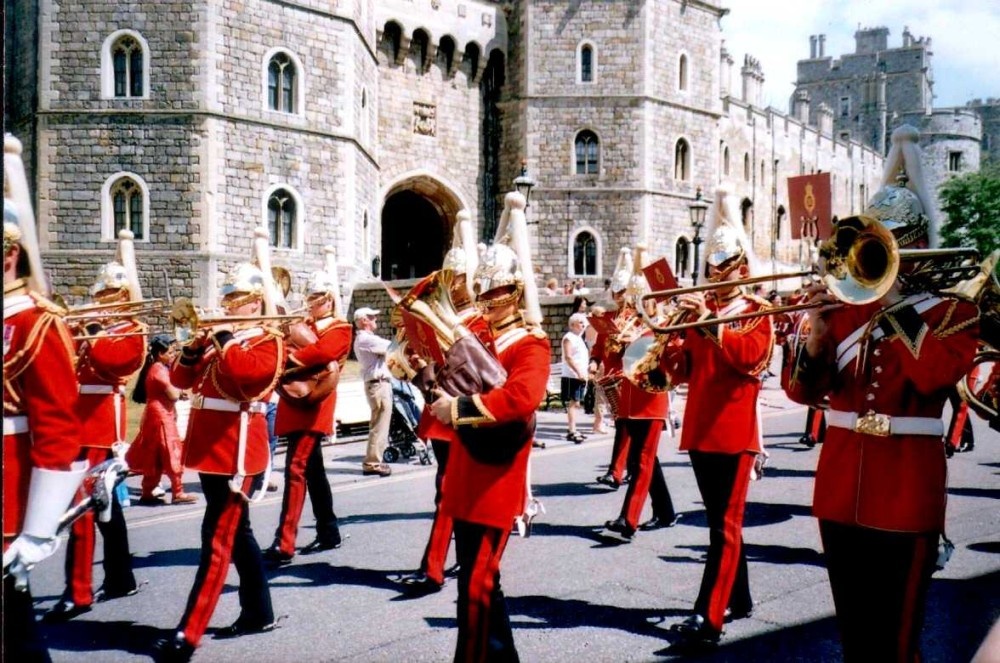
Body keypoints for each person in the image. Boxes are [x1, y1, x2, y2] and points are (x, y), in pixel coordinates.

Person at [783, 126, 979, 662]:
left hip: (906, 491)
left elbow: (934, 376)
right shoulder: (843, 308)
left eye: (891, 242)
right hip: (841, 487)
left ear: (917, 246)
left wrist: (893, 303)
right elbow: (801, 392)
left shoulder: (953, 311)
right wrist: (817, 335)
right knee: (856, 642)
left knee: (896, 646)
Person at [430, 191, 550, 663]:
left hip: (499, 472)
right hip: (467, 465)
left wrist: (458, 409)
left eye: (497, 292)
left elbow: (521, 399)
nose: (488, 301)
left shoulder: (531, 343)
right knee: (477, 580)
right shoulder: (477, 336)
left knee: (478, 582)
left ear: (515, 292)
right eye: (484, 293)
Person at [659, 187, 773, 651]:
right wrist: (666, 342)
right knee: (719, 522)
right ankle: (739, 597)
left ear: (742, 269)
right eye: (711, 268)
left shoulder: (758, 312)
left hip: (736, 431)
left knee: (724, 526)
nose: (714, 276)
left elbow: (750, 358)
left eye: (723, 267)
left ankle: (709, 617)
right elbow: (683, 371)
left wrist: (710, 320)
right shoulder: (704, 309)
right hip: (702, 427)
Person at [153, 261, 283, 662]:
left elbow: (246, 375)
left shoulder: (267, 340)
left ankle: (189, 632)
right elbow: (180, 381)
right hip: (212, 451)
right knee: (238, 536)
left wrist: (223, 335)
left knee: (218, 539)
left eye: (236, 299)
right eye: (226, 298)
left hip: (238, 452)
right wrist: (194, 348)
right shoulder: (219, 341)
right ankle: (260, 612)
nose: (227, 304)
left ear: (256, 303)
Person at [3, 135, 85, 661]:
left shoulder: (37, 322)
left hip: (8, 496)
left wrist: (36, 530)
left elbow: (57, 426)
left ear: (10, 252)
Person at [47, 252, 145, 622]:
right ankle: (121, 578)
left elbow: (115, 362)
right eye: (99, 294)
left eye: (110, 295)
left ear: (125, 297)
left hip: (102, 424)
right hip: (75, 421)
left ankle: (78, 592)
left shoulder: (132, 329)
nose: (102, 301)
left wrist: (93, 329)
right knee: (106, 507)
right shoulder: (91, 326)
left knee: (83, 507)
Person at [398, 210, 487, 596]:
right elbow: (430, 369)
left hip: (466, 413)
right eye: (448, 278)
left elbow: (479, 375)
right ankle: (462, 557)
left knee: (451, 490)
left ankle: (434, 567)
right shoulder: (442, 318)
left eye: (458, 278)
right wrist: (416, 363)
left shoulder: (480, 322)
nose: (452, 285)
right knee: (448, 489)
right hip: (440, 412)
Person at [264, 269, 352, 565]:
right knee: (313, 471)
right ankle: (329, 531)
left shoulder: (340, 327)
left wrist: (288, 358)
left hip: (316, 401)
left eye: (317, 297)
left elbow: (322, 353)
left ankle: (285, 542)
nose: (311, 302)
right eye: (309, 296)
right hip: (294, 399)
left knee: (296, 469)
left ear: (329, 299)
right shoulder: (304, 324)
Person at [602, 246, 679, 542]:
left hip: (651, 399)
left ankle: (628, 519)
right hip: (630, 400)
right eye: (638, 299)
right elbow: (615, 361)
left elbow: (672, 359)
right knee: (642, 459)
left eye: (645, 299)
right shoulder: (631, 323)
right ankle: (666, 512)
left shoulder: (665, 324)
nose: (641, 305)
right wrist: (614, 345)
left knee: (643, 461)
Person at [126, 334, 197, 505]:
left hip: (157, 414)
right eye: (170, 353)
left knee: (155, 454)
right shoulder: (159, 370)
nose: (173, 355)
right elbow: (173, 395)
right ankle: (177, 491)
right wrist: (181, 391)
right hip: (161, 415)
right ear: (160, 354)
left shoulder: (157, 368)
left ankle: (147, 492)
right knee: (171, 450)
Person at [592, 247, 639, 489]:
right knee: (625, 425)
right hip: (611, 377)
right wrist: (594, 361)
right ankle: (631, 468)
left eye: (622, 292)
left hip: (630, 377)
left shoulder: (638, 317)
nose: (618, 296)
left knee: (625, 425)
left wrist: (630, 340)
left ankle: (616, 471)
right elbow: (599, 345)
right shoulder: (609, 316)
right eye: (615, 292)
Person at [353, 307, 393, 477]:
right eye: (372, 317)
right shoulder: (366, 339)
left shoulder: (365, 338)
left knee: (379, 423)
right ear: (364, 321)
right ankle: (372, 463)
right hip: (378, 385)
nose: (376, 320)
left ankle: (374, 460)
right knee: (379, 425)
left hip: (378, 384)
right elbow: (392, 347)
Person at [561, 312, 590, 443]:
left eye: (584, 323)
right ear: (572, 325)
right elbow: (568, 357)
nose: (583, 325)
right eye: (580, 323)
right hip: (572, 375)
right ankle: (572, 430)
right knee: (573, 403)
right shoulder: (569, 338)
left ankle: (573, 428)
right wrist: (578, 372)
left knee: (577, 403)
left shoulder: (579, 339)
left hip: (580, 375)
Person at [584, 304, 609, 434]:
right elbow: (596, 347)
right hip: (600, 363)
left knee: (600, 394)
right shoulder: (596, 329)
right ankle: (598, 423)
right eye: (602, 314)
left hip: (596, 362)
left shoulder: (591, 328)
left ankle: (599, 422)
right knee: (601, 395)